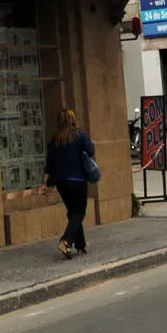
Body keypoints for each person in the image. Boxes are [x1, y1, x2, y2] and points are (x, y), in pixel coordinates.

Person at [40, 108, 96, 260]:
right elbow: (90, 151)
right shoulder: (80, 135)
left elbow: (49, 164)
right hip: (77, 180)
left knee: (73, 212)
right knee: (79, 212)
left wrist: (46, 183)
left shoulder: (54, 140)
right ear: (72, 119)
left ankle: (80, 245)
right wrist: (91, 144)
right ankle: (66, 241)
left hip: (61, 183)